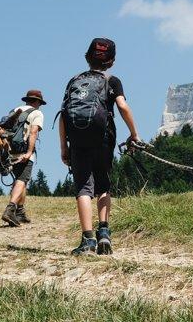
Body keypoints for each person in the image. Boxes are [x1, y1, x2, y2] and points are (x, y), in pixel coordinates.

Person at [59, 38, 139, 255]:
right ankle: (104, 232)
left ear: (87, 56)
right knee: (103, 185)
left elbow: (63, 116)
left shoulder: (74, 81)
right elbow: (122, 106)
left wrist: (63, 148)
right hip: (103, 138)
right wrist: (134, 134)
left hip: (77, 139)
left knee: (84, 188)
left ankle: (88, 240)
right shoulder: (112, 80)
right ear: (111, 61)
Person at [1, 89, 46, 226]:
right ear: (37, 102)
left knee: (19, 180)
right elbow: (33, 133)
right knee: (22, 179)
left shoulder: (14, 110)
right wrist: (29, 152)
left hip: (9, 150)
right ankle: (10, 209)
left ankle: (20, 213)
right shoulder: (37, 113)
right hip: (23, 151)